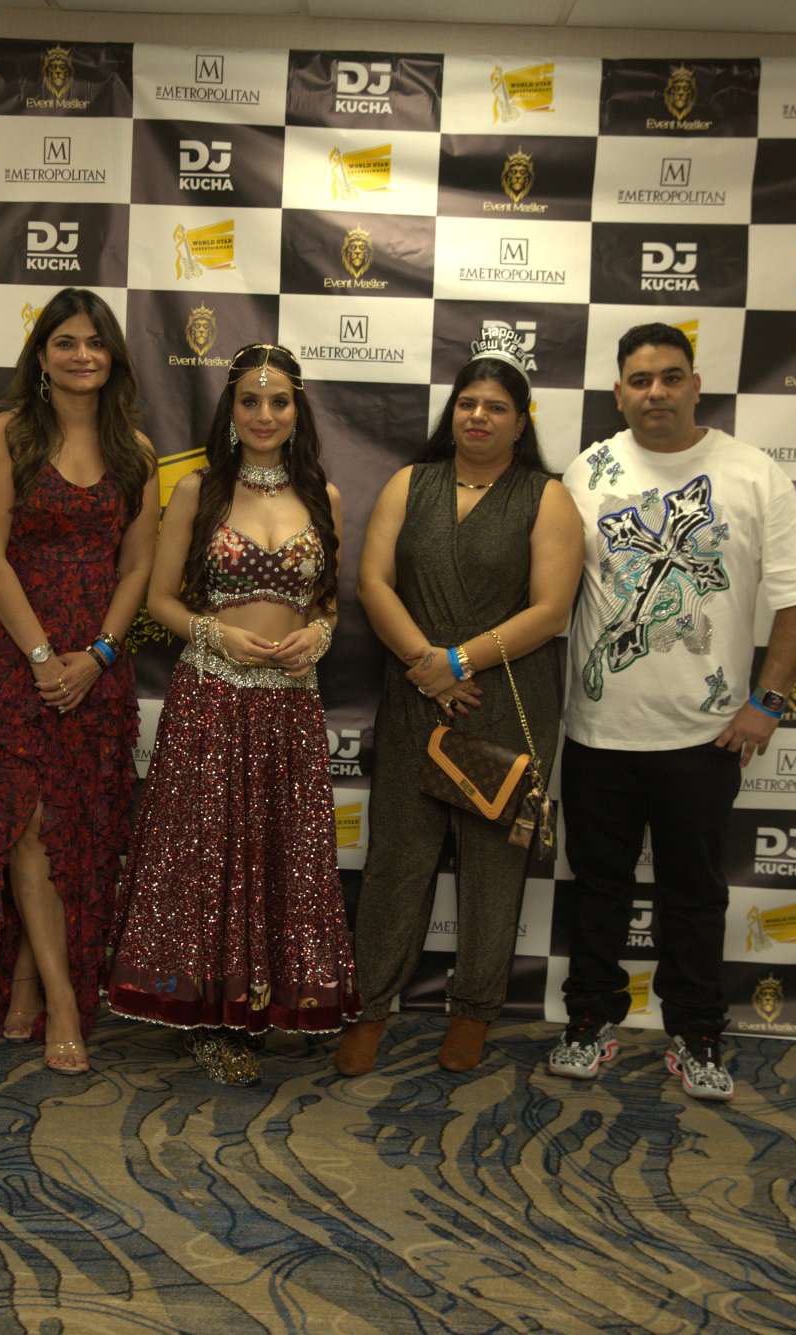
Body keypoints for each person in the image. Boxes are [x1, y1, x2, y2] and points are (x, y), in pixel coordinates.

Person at [548, 322, 796, 1103]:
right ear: (619, 392)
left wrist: (767, 702)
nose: (657, 393)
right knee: (598, 888)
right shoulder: (588, 471)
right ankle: (588, 1020)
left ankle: (698, 1032)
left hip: (705, 736)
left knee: (695, 895)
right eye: (641, 380)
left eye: (671, 377)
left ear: (696, 385)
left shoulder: (752, 474)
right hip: (599, 731)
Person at [0, 287, 158, 1075]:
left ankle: (25, 981)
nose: (82, 355)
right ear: (41, 355)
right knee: (28, 822)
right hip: (10, 658)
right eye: (65, 342)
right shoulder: (10, 434)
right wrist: (44, 658)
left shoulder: (136, 451)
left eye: (95, 343)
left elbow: (138, 566)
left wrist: (99, 655)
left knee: (75, 827)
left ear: (113, 357)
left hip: (96, 662)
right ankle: (63, 1002)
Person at [107, 343, 359, 1085]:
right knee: (209, 858)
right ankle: (210, 1019)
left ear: (297, 410)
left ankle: (266, 1006)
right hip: (212, 698)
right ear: (231, 409)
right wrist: (216, 634)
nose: (264, 414)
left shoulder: (324, 497)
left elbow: (327, 605)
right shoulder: (198, 491)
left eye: (278, 401)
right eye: (251, 400)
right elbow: (158, 600)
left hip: (289, 706)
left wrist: (320, 635)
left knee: (280, 856)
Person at [334, 331, 583, 1077]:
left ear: (521, 421)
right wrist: (426, 663)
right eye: (468, 403)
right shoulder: (411, 483)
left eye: (496, 406)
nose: (479, 416)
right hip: (417, 694)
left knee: (492, 865)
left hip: (504, 698)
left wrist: (458, 662)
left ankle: (474, 1010)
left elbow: (552, 610)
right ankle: (371, 1008)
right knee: (396, 861)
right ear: (453, 412)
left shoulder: (547, 496)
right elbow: (373, 583)